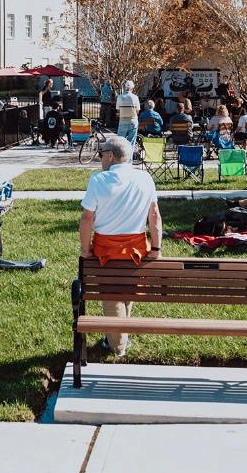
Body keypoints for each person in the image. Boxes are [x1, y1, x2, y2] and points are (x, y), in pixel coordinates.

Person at [79, 137, 163, 357]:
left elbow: (87, 219)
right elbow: (154, 216)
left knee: (111, 296)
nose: (100, 159)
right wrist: (156, 249)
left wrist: (85, 250)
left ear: (110, 156)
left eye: (101, 155)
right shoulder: (145, 178)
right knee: (128, 290)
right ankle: (121, 335)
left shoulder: (98, 180)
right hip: (137, 250)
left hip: (106, 251)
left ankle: (117, 346)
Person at [115, 80, 140, 144]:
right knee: (131, 142)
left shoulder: (120, 97)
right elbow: (137, 111)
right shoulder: (135, 97)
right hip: (133, 121)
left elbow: (118, 110)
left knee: (120, 142)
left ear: (125, 87)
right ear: (132, 88)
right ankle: (130, 150)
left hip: (123, 121)